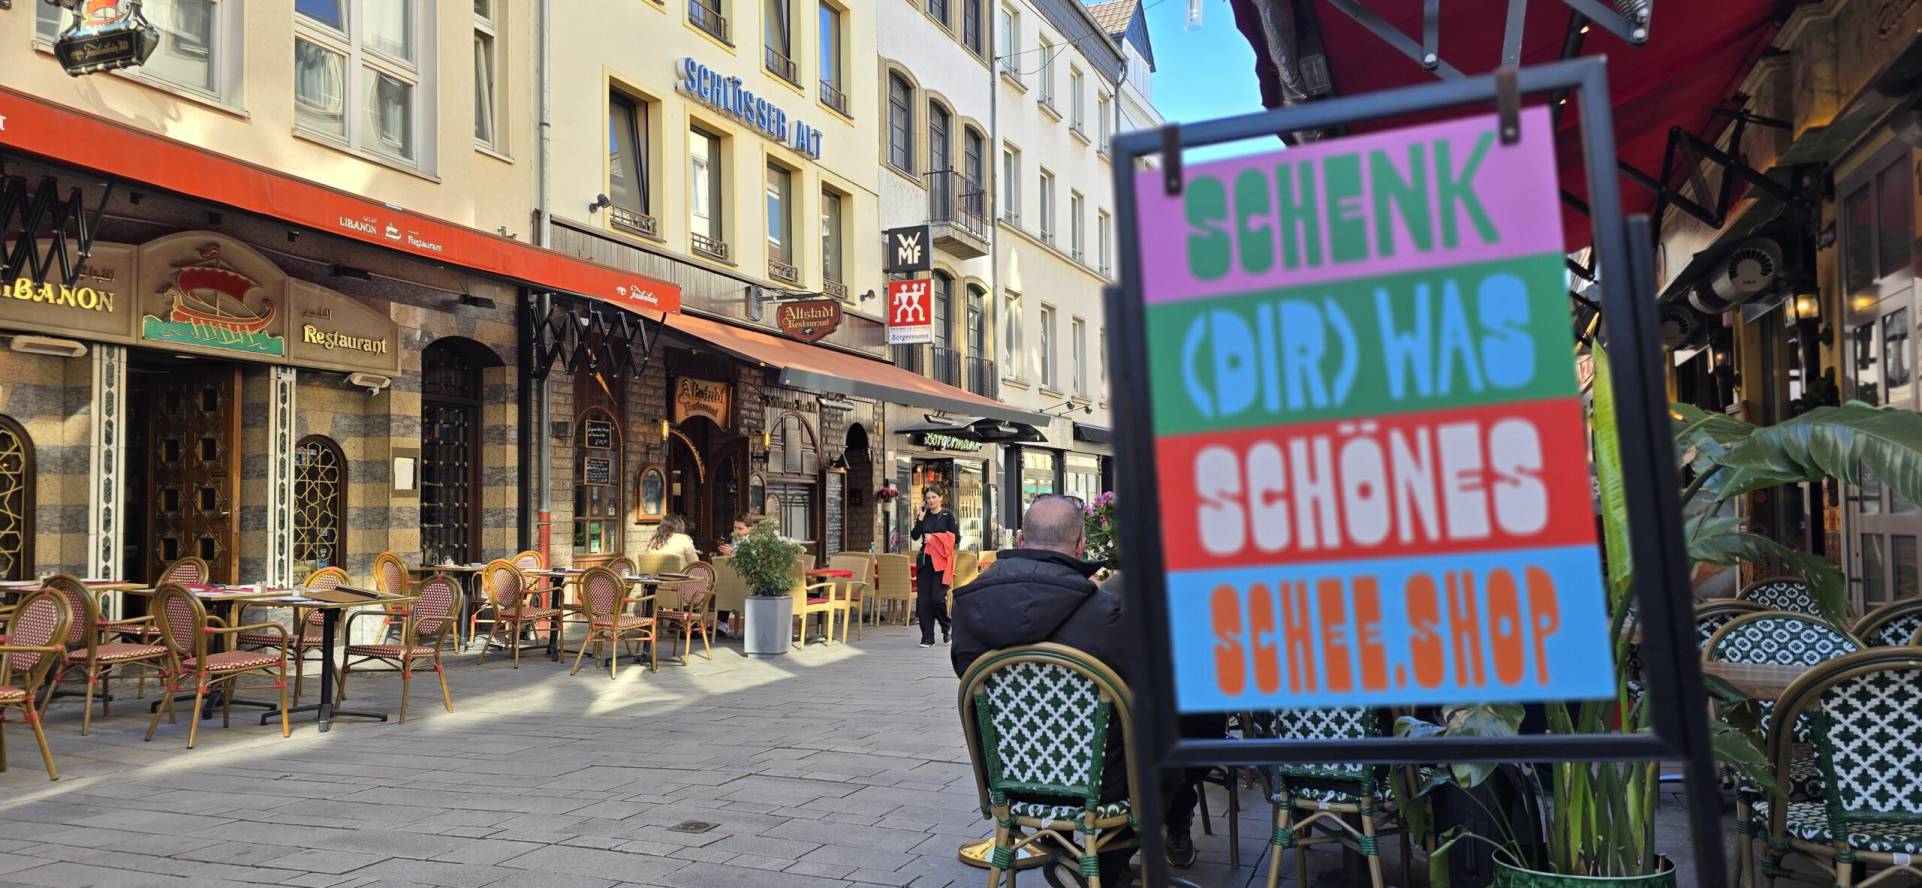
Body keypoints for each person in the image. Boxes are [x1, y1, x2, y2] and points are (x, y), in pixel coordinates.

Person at [909, 487, 958, 648]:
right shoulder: (924, 515)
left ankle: (946, 625)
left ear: (941, 498)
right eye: (928, 498)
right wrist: (921, 519)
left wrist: (935, 538)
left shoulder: (947, 516)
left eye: (934, 497)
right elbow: (915, 535)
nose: (930, 500)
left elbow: (956, 538)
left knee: (936, 598)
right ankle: (927, 637)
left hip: (942, 563)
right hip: (925, 562)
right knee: (923, 601)